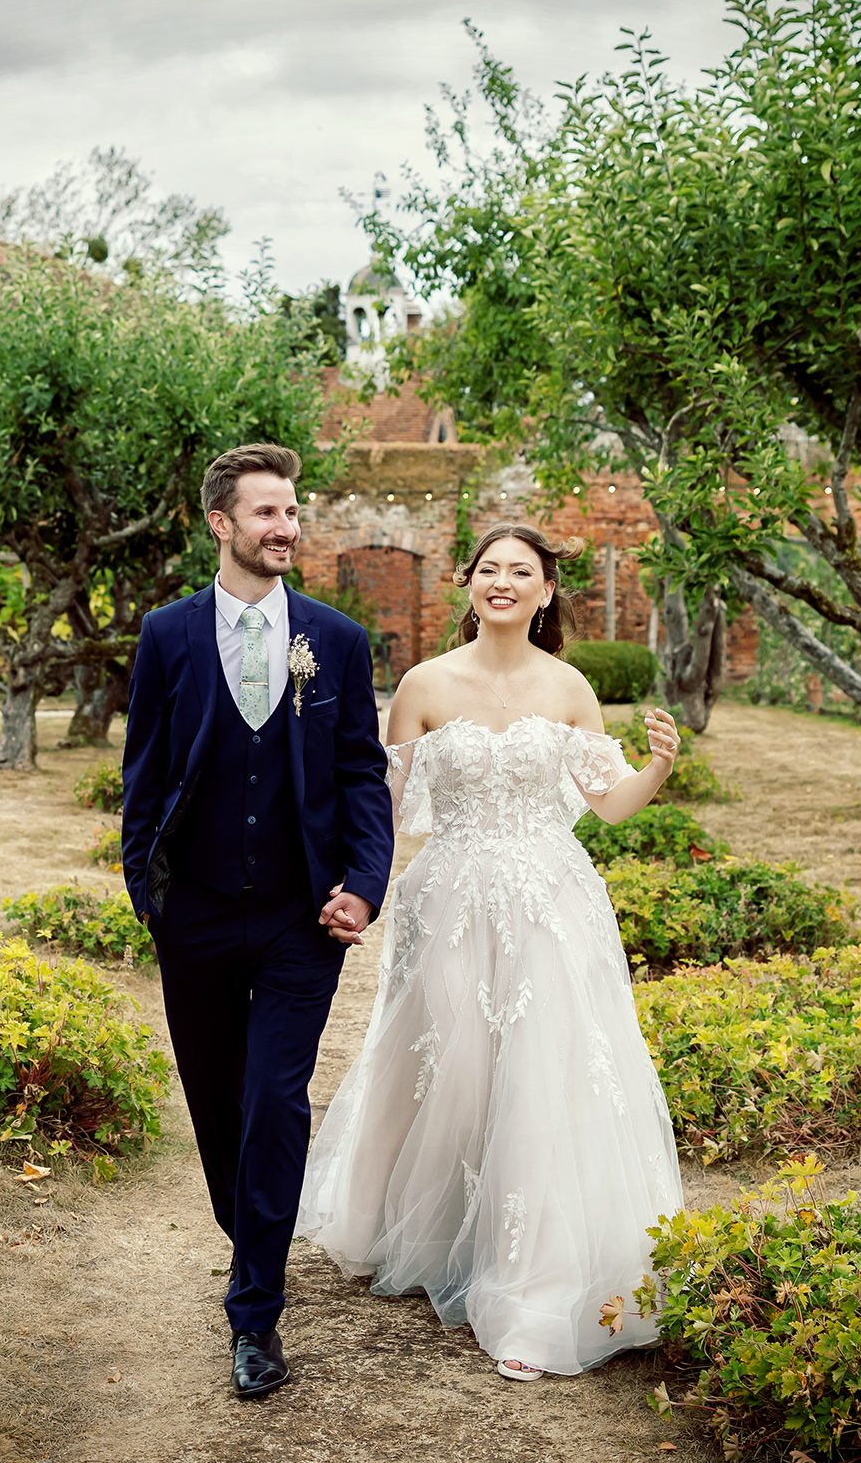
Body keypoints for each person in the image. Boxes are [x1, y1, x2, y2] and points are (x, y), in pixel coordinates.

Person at [296, 523, 686, 1380]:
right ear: (468, 586)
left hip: (553, 905)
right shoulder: (425, 684)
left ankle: (534, 1291)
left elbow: (610, 804)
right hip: (450, 904)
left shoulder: (572, 686)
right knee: (455, 1069)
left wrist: (656, 767)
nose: (502, 582)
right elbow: (381, 807)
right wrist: (342, 878)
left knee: (544, 1076)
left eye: (522, 572)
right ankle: (421, 1229)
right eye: (488, 570)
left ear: (547, 592)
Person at [119, 442, 394, 1401]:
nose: (287, 529)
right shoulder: (167, 635)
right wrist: (144, 891)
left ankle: (254, 1315)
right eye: (267, 513)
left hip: (296, 918)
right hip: (191, 914)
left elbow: (362, 770)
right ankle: (260, 1238)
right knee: (216, 1105)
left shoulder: (339, 639)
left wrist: (365, 881)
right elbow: (145, 770)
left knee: (275, 1100)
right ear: (221, 524)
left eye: (293, 513)